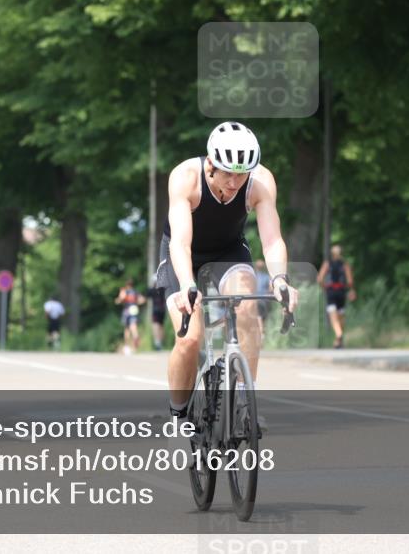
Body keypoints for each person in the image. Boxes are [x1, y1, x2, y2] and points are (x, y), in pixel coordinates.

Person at [157, 121, 299, 419]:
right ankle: (178, 415)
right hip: (184, 255)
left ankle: (244, 404)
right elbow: (181, 243)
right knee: (189, 339)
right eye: (228, 174)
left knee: (247, 309)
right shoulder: (185, 177)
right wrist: (186, 285)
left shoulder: (260, 182)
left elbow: (272, 240)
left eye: (242, 174)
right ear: (211, 164)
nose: (235, 182)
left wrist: (280, 279)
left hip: (229, 251)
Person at [317, 244, 356, 349]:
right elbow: (350, 281)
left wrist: (324, 287)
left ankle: (338, 334)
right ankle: (338, 341)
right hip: (341, 292)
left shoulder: (327, 264)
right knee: (340, 315)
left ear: (332, 254)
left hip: (331, 292)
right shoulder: (345, 265)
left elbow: (320, 278)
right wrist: (351, 290)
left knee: (333, 317)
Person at [115, 278, 145, 354]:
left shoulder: (124, 291)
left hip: (127, 310)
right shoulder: (135, 292)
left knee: (127, 328)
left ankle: (127, 346)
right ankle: (135, 336)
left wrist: (118, 300)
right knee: (133, 325)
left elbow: (121, 299)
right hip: (134, 309)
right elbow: (143, 300)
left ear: (126, 284)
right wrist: (136, 302)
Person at [146, 278, 166, 351]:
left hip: (156, 310)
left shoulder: (152, 290)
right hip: (163, 310)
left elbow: (147, 294)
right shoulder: (163, 289)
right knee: (161, 326)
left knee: (155, 325)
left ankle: (157, 343)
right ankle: (161, 342)